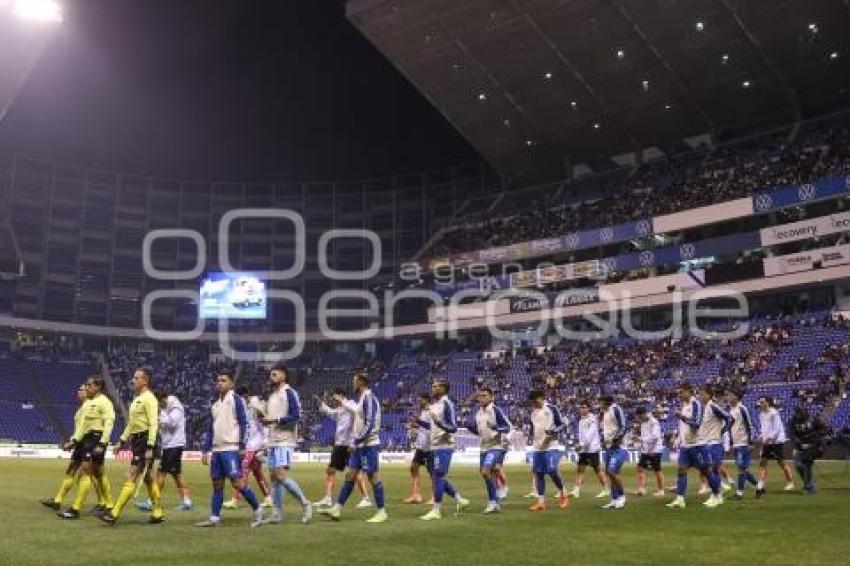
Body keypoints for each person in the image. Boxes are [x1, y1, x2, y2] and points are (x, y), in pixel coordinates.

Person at [195, 371, 264, 528]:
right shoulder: (215, 405)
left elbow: (244, 423)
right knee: (217, 484)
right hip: (217, 451)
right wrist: (205, 450)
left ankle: (258, 510)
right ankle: (214, 518)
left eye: (223, 380)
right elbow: (210, 429)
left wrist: (241, 446)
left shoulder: (236, 400)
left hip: (231, 449)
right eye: (218, 380)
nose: (219, 383)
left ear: (231, 384)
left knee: (237, 483)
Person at [319, 373, 388, 523]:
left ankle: (382, 512)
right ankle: (336, 508)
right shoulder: (362, 398)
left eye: (354, 381)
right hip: (360, 445)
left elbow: (369, 423)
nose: (353, 384)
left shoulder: (369, 398)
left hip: (368, 444)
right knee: (350, 475)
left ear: (361, 382)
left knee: (373, 476)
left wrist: (356, 441)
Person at [99, 368, 163, 524]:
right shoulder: (137, 399)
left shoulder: (149, 399)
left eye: (136, 378)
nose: (133, 380)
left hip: (146, 440)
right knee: (148, 478)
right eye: (133, 377)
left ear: (145, 381)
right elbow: (131, 424)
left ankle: (114, 513)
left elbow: (154, 423)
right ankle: (158, 512)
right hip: (137, 440)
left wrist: (150, 446)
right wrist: (121, 440)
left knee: (131, 474)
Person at [258, 366, 312, 524]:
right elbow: (271, 418)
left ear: (284, 376)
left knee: (280, 475)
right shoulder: (272, 396)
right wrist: (264, 419)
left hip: (285, 440)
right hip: (274, 441)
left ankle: (306, 504)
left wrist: (274, 420)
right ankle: (277, 514)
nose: (271, 376)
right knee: (274, 478)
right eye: (270, 374)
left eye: (275, 373)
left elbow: (296, 416)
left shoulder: (289, 392)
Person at [56, 378, 115, 519]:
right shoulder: (90, 403)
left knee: (86, 471)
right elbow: (83, 426)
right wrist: (74, 441)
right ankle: (109, 504)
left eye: (89, 385)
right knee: (98, 474)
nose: (87, 388)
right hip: (86, 440)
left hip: (96, 438)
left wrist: (103, 443)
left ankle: (75, 509)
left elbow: (109, 422)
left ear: (98, 387)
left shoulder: (104, 402)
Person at [419, 380, 470, 520]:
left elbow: (453, 427)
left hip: (444, 446)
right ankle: (460, 500)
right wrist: (419, 422)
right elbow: (433, 427)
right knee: (437, 477)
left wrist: (439, 423)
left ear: (443, 389)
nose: (433, 388)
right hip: (435, 446)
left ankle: (436, 510)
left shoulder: (447, 403)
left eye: (436, 386)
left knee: (438, 477)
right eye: (433, 386)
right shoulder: (435, 406)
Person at [313, 389, 371, 509]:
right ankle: (328, 498)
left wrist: (342, 401)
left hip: (350, 444)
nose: (334, 400)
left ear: (342, 396)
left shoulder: (351, 404)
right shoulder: (339, 409)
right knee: (330, 470)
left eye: (335, 397)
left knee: (355, 472)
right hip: (339, 444)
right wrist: (320, 403)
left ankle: (366, 498)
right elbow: (330, 413)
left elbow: (357, 411)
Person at [137, 391, 193, 512]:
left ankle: (152, 501)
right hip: (169, 445)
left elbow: (171, 424)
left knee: (160, 473)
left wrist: (160, 413)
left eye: (158, 404)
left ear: (163, 399)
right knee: (176, 474)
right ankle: (187, 501)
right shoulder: (166, 407)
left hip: (174, 445)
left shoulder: (175, 407)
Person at [666, 384, 716, 509]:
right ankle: (680, 499)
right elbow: (684, 427)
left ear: (689, 392)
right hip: (685, 445)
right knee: (681, 470)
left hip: (697, 444)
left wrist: (682, 417)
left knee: (706, 471)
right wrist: (678, 440)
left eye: (681, 392)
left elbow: (696, 423)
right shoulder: (684, 406)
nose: (680, 395)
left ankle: (717, 495)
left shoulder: (696, 404)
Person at [41, 383, 88, 512]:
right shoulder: (82, 407)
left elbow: (84, 429)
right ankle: (58, 500)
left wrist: (73, 442)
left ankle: (104, 503)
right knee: (72, 471)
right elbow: (79, 429)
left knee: (90, 475)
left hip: (87, 444)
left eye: (81, 390)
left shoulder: (88, 407)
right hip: (80, 444)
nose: (78, 391)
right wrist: (72, 441)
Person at [223, 388, 272, 510]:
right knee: (257, 472)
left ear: (245, 396)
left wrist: (264, 443)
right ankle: (268, 498)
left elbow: (263, 425)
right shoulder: (245, 408)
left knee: (241, 471)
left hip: (253, 445)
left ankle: (235, 500)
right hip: (252, 444)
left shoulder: (255, 407)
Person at [466, 387, 511, 514]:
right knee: (485, 473)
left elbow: (507, 427)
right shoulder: (478, 413)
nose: (481, 398)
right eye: (480, 396)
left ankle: (492, 502)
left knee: (486, 471)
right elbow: (479, 432)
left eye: (485, 395)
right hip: (484, 447)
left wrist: (495, 427)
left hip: (496, 446)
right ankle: (495, 502)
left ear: (491, 397)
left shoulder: (496, 410)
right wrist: (470, 428)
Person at [527, 391, 568, 512]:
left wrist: (554, 431)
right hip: (538, 447)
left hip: (551, 445)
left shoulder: (551, 408)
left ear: (541, 398)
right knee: (538, 473)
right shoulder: (533, 412)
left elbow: (562, 424)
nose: (534, 403)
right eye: (532, 401)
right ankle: (541, 502)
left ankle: (563, 493)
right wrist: (531, 437)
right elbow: (533, 428)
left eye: (535, 400)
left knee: (551, 469)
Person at [696, 385, 732, 507]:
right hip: (708, 443)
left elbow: (729, 418)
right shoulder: (706, 408)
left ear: (708, 395)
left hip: (715, 444)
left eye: (702, 394)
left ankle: (716, 495)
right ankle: (716, 494)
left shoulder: (712, 406)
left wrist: (723, 431)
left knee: (711, 470)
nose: (700, 396)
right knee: (708, 470)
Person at [756, 396, 794, 497]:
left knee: (781, 462)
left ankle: (790, 482)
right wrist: (761, 436)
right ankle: (760, 486)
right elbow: (764, 428)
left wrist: (769, 437)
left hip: (777, 441)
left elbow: (777, 428)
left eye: (762, 402)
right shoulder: (761, 414)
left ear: (768, 403)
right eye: (760, 402)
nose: (760, 404)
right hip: (767, 442)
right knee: (763, 462)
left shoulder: (774, 413)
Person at [570, 400, 608, 499]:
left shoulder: (592, 419)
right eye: (581, 407)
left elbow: (590, 434)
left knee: (597, 469)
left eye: (584, 407)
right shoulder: (581, 420)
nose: (582, 409)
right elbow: (581, 435)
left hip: (592, 449)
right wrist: (580, 445)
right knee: (580, 469)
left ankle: (605, 489)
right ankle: (576, 490)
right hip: (584, 449)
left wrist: (581, 444)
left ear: (588, 408)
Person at [727, 389, 758, 499]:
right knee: (743, 468)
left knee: (741, 468)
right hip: (736, 443)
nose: (728, 397)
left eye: (730, 395)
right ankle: (759, 487)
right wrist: (731, 442)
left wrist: (750, 442)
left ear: (736, 397)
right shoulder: (732, 410)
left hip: (743, 443)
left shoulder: (742, 409)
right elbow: (732, 428)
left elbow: (749, 426)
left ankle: (739, 494)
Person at [788, 406, 827, 494]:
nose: (798, 415)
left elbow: (822, 429)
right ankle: (809, 484)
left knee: (807, 465)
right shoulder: (791, 422)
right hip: (799, 447)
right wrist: (800, 444)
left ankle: (809, 487)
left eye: (800, 413)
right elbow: (791, 435)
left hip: (812, 446)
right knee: (798, 466)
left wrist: (817, 442)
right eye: (797, 413)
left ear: (805, 412)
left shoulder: (813, 419)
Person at [403, 394, 434, 505]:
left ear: (426, 400)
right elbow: (424, 427)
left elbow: (432, 426)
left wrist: (418, 421)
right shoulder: (423, 411)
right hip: (421, 446)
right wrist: (415, 425)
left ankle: (435, 497)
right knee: (413, 467)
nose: (418, 401)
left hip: (430, 447)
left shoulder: (431, 410)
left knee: (432, 473)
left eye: (419, 399)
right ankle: (416, 495)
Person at [600, 395, 627, 509]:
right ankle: (614, 499)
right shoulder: (605, 413)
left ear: (606, 402)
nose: (599, 404)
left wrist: (617, 438)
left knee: (612, 472)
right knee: (610, 474)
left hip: (618, 447)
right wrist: (603, 440)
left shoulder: (616, 409)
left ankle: (622, 496)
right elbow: (607, 429)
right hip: (608, 447)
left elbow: (624, 427)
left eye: (600, 402)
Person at [634, 406, 664, 497]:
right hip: (646, 450)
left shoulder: (654, 422)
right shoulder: (643, 422)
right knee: (640, 468)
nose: (638, 418)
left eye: (639, 416)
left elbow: (655, 437)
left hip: (655, 450)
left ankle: (661, 490)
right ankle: (642, 489)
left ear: (643, 414)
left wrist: (640, 439)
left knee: (657, 470)